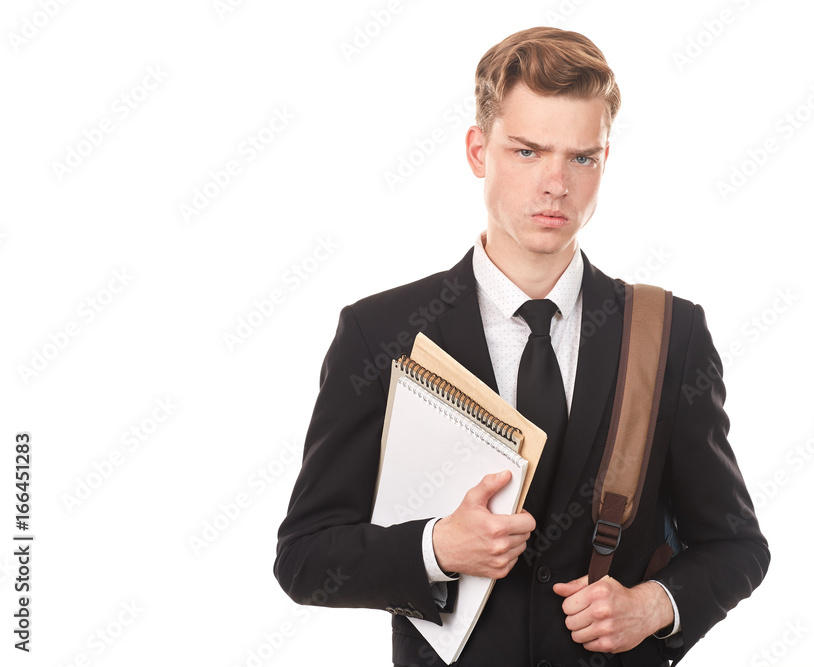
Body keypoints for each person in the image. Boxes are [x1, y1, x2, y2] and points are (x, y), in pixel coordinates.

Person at [274, 26, 769, 666]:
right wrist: (437, 550)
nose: (555, 184)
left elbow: (736, 546)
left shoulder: (670, 333)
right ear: (479, 151)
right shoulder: (382, 333)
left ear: (604, 161)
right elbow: (305, 557)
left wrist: (655, 604)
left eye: (581, 157)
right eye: (528, 151)